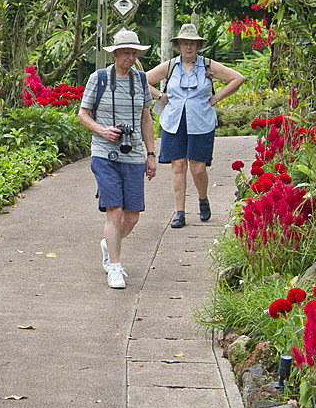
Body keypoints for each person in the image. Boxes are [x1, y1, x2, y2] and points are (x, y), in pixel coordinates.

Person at [77, 28, 157, 290]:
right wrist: (103, 130)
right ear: (115, 54)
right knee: (116, 210)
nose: (130, 58)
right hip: (104, 154)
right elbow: (82, 114)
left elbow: (146, 118)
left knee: (132, 217)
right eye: (126, 53)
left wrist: (151, 154)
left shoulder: (142, 80)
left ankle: (109, 243)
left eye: (134, 53)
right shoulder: (98, 79)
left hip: (133, 154)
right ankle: (115, 266)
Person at [145, 23, 245, 228]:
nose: (188, 48)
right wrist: (160, 95)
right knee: (178, 165)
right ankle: (179, 212)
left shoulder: (208, 65)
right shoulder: (170, 66)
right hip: (174, 122)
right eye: (184, 44)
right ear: (179, 45)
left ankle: (202, 199)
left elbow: (238, 78)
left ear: (198, 46)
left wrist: (216, 98)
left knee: (198, 168)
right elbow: (142, 80)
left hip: (201, 121)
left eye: (192, 44)